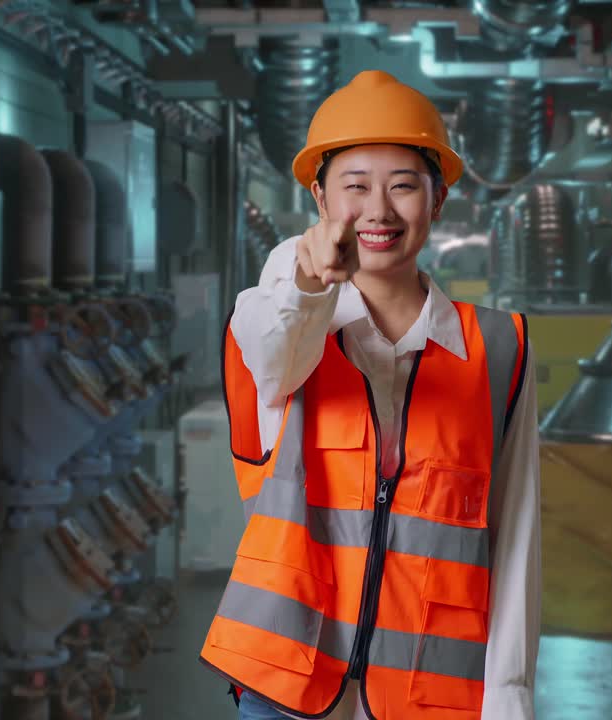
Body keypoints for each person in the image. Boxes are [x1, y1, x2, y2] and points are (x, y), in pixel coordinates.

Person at [199, 70, 541, 720]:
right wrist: (307, 275)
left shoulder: (498, 350)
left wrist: (510, 700)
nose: (379, 211)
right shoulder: (276, 316)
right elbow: (277, 356)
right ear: (318, 197)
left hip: (429, 697)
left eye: (404, 186)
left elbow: (516, 539)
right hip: (286, 692)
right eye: (354, 187)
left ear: (438, 202)